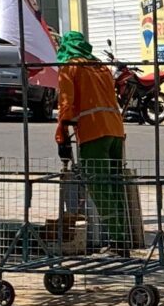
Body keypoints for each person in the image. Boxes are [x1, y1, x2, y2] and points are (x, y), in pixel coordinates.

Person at [53, 29, 129, 244]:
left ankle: (117, 240)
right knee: (116, 184)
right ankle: (124, 234)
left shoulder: (70, 67)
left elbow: (66, 104)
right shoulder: (101, 66)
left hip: (93, 132)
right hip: (116, 130)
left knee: (99, 186)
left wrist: (62, 136)